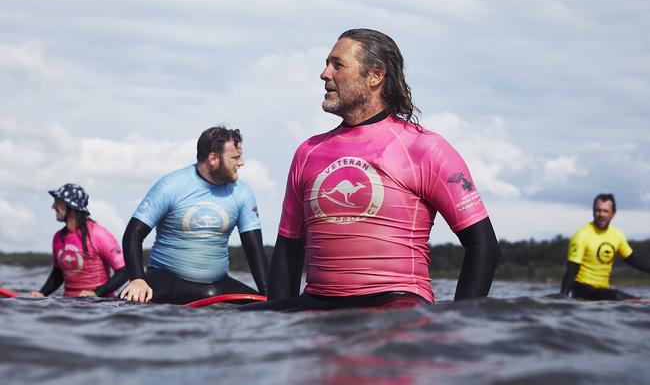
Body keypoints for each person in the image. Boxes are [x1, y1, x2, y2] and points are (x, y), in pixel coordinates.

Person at [245, 28, 500, 311]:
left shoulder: (423, 148)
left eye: (337, 64)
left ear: (375, 75)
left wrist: (458, 323)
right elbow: (287, 250)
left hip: (396, 306)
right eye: (327, 64)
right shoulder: (308, 152)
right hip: (318, 303)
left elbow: (483, 246)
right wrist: (276, 331)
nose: (324, 73)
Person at [119, 126, 269, 304]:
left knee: (259, 304)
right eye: (235, 157)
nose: (241, 162)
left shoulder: (242, 192)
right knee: (210, 295)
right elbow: (133, 233)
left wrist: (270, 298)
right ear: (213, 158)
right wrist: (137, 278)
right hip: (166, 279)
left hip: (217, 283)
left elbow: (254, 250)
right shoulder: (172, 186)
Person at [29, 183, 128, 298]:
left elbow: (124, 271)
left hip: (99, 306)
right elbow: (58, 273)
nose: (53, 206)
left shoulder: (98, 234)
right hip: (68, 305)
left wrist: (97, 293)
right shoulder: (58, 237)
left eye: (58, 201)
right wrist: (42, 293)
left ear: (72, 208)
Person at [559, 193, 650, 301]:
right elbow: (571, 270)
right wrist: (563, 296)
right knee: (617, 296)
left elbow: (635, 260)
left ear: (613, 214)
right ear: (593, 212)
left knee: (614, 296)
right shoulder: (582, 235)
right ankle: (638, 301)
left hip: (602, 292)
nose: (601, 214)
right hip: (582, 290)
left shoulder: (616, 235)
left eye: (605, 211)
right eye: (598, 210)